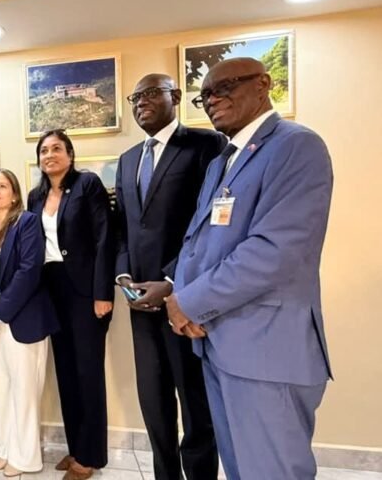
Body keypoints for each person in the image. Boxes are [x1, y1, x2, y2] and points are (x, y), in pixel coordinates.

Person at [152, 58, 333, 480]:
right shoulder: (223, 161)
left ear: (263, 85)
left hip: (266, 350)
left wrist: (189, 302)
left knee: (270, 472)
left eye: (226, 87)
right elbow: (200, 242)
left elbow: (274, 251)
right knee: (239, 469)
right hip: (220, 342)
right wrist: (174, 290)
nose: (213, 100)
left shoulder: (296, 146)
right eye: (205, 95)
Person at [114, 74, 224, 480]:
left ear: (175, 96)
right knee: (154, 402)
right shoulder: (128, 159)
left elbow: (211, 223)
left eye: (150, 94)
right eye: (135, 97)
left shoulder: (206, 145)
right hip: (140, 303)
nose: (141, 102)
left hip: (186, 298)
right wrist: (124, 276)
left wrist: (173, 281)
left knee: (195, 404)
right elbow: (124, 226)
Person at [27, 129, 115, 480]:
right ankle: (76, 446)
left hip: (85, 291)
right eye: (44, 150)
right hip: (51, 290)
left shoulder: (87, 184)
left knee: (87, 373)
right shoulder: (35, 196)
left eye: (56, 149)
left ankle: (90, 456)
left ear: (70, 154)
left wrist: (103, 293)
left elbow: (105, 238)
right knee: (65, 372)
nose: (49, 155)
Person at [0, 169, 58, 477]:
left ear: (15, 194)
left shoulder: (27, 222)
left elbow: (29, 271)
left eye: (2, 186)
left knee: (24, 389)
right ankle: (3, 448)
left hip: (20, 313)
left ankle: (26, 457)